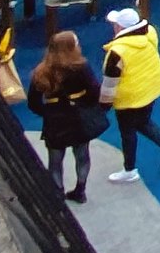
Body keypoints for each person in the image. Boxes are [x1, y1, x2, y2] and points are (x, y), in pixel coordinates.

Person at [99, 6, 160, 183]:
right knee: (142, 121)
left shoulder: (117, 53)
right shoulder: (149, 33)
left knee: (127, 132)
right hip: (151, 87)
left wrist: (103, 106)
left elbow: (109, 84)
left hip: (129, 98)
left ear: (120, 28)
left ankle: (130, 169)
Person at [27, 29, 107, 202]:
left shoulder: (40, 71)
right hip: (78, 117)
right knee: (82, 155)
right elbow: (94, 91)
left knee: (55, 161)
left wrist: (48, 113)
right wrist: (84, 105)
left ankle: (57, 195)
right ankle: (80, 191)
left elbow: (33, 102)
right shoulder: (81, 67)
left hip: (55, 121)